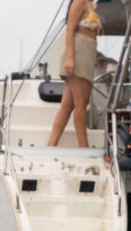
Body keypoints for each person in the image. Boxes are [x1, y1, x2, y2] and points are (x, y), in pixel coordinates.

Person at [48, 0, 102, 147]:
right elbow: (70, 30)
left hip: (88, 51)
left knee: (67, 106)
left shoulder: (91, 4)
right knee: (81, 104)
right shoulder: (79, 2)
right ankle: (83, 146)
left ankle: (51, 144)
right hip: (79, 52)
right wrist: (70, 59)